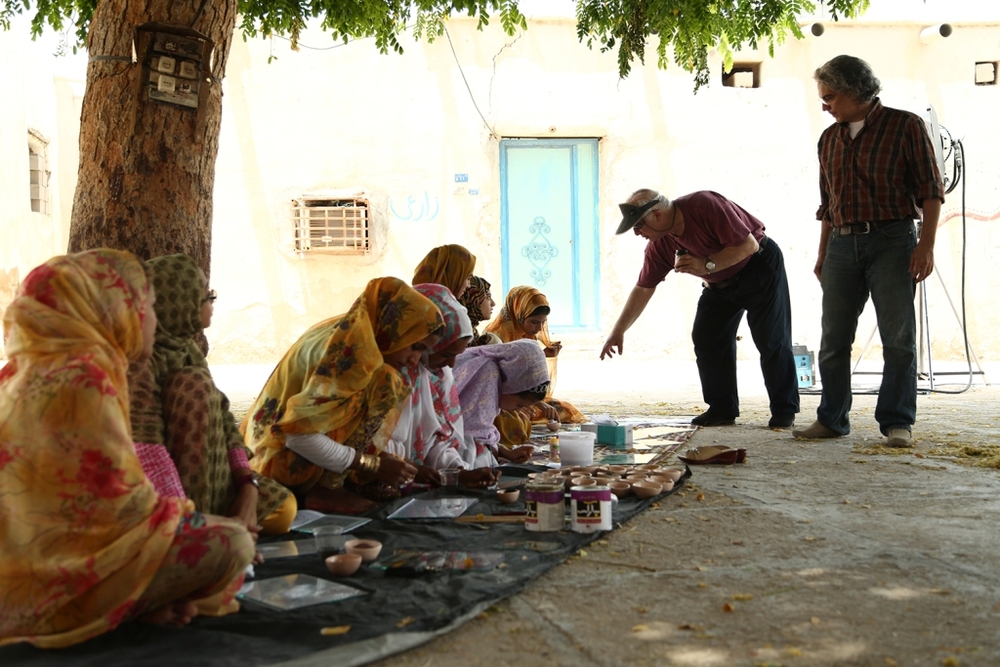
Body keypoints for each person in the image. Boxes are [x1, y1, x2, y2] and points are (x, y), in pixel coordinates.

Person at [0, 249, 255, 648]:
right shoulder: (85, 377)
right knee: (232, 545)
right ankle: (117, 610)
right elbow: (125, 503)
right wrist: (188, 521)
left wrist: (246, 485)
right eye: (146, 306)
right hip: (51, 579)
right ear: (114, 308)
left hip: (22, 566)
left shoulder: (22, 373)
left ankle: (130, 605)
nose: (151, 318)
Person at [793, 55, 945, 448]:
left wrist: (925, 246)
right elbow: (827, 204)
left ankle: (897, 422)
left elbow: (931, 190)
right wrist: (823, 253)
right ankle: (831, 419)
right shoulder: (828, 139)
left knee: (898, 338)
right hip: (842, 244)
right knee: (833, 340)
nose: (824, 105)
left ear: (855, 90)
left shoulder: (905, 125)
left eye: (829, 97)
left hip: (892, 241)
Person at [600, 189, 799, 429]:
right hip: (718, 283)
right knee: (707, 337)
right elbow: (643, 288)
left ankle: (783, 409)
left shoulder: (704, 205)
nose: (637, 232)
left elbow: (749, 245)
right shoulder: (659, 245)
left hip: (758, 267)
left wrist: (705, 264)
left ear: (658, 215)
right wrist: (618, 330)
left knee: (771, 339)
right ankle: (722, 408)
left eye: (639, 225)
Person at [243, 277, 444, 514]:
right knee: (386, 381)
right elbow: (298, 436)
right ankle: (328, 489)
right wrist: (373, 464)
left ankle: (336, 483)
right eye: (415, 346)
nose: (414, 360)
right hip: (274, 458)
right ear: (395, 328)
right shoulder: (351, 355)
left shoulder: (353, 332)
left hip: (276, 449)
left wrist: (393, 462)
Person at [129, 254, 295, 536]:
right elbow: (148, 450)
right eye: (206, 295)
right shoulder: (140, 362)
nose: (211, 302)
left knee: (285, 509)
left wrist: (247, 487)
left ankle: (222, 523)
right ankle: (203, 527)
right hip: (166, 489)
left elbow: (224, 419)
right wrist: (189, 522)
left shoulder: (187, 350)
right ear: (179, 301)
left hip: (214, 475)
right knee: (193, 386)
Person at [385, 283, 497, 488]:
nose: (452, 364)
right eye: (446, 354)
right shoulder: (390, 375)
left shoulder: (436, 373)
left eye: (457, 355)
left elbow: (437, 436)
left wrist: (457, 473)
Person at [484, 285, 587, 425]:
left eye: (542, 323)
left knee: (564, 410)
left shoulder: (526, 335)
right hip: (502, 399)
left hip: (523, 398)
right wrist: (528, 404)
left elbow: (523, 369)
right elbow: (500, 380)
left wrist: (542, 355)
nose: (539, 328)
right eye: (534, 322)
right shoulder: (498, 337)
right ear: (519, 315)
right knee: (517, 421)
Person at [452, 340, 551, 467]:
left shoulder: (493, 373)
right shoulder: (486, 373)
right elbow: (471, 434)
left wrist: (505, 452)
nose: (517, 410)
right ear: (512, 387)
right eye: (519, 405)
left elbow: (479, 431)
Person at [412, 244, 477, 299]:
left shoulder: (408, 297)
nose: (469, 285)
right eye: (468, 278)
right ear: (454, 275)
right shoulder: (452, 311)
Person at [458, 275, 502, 347]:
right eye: (488, 296)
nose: (493, 303)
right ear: (474, 298)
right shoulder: (461, 334)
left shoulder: (472, 332)